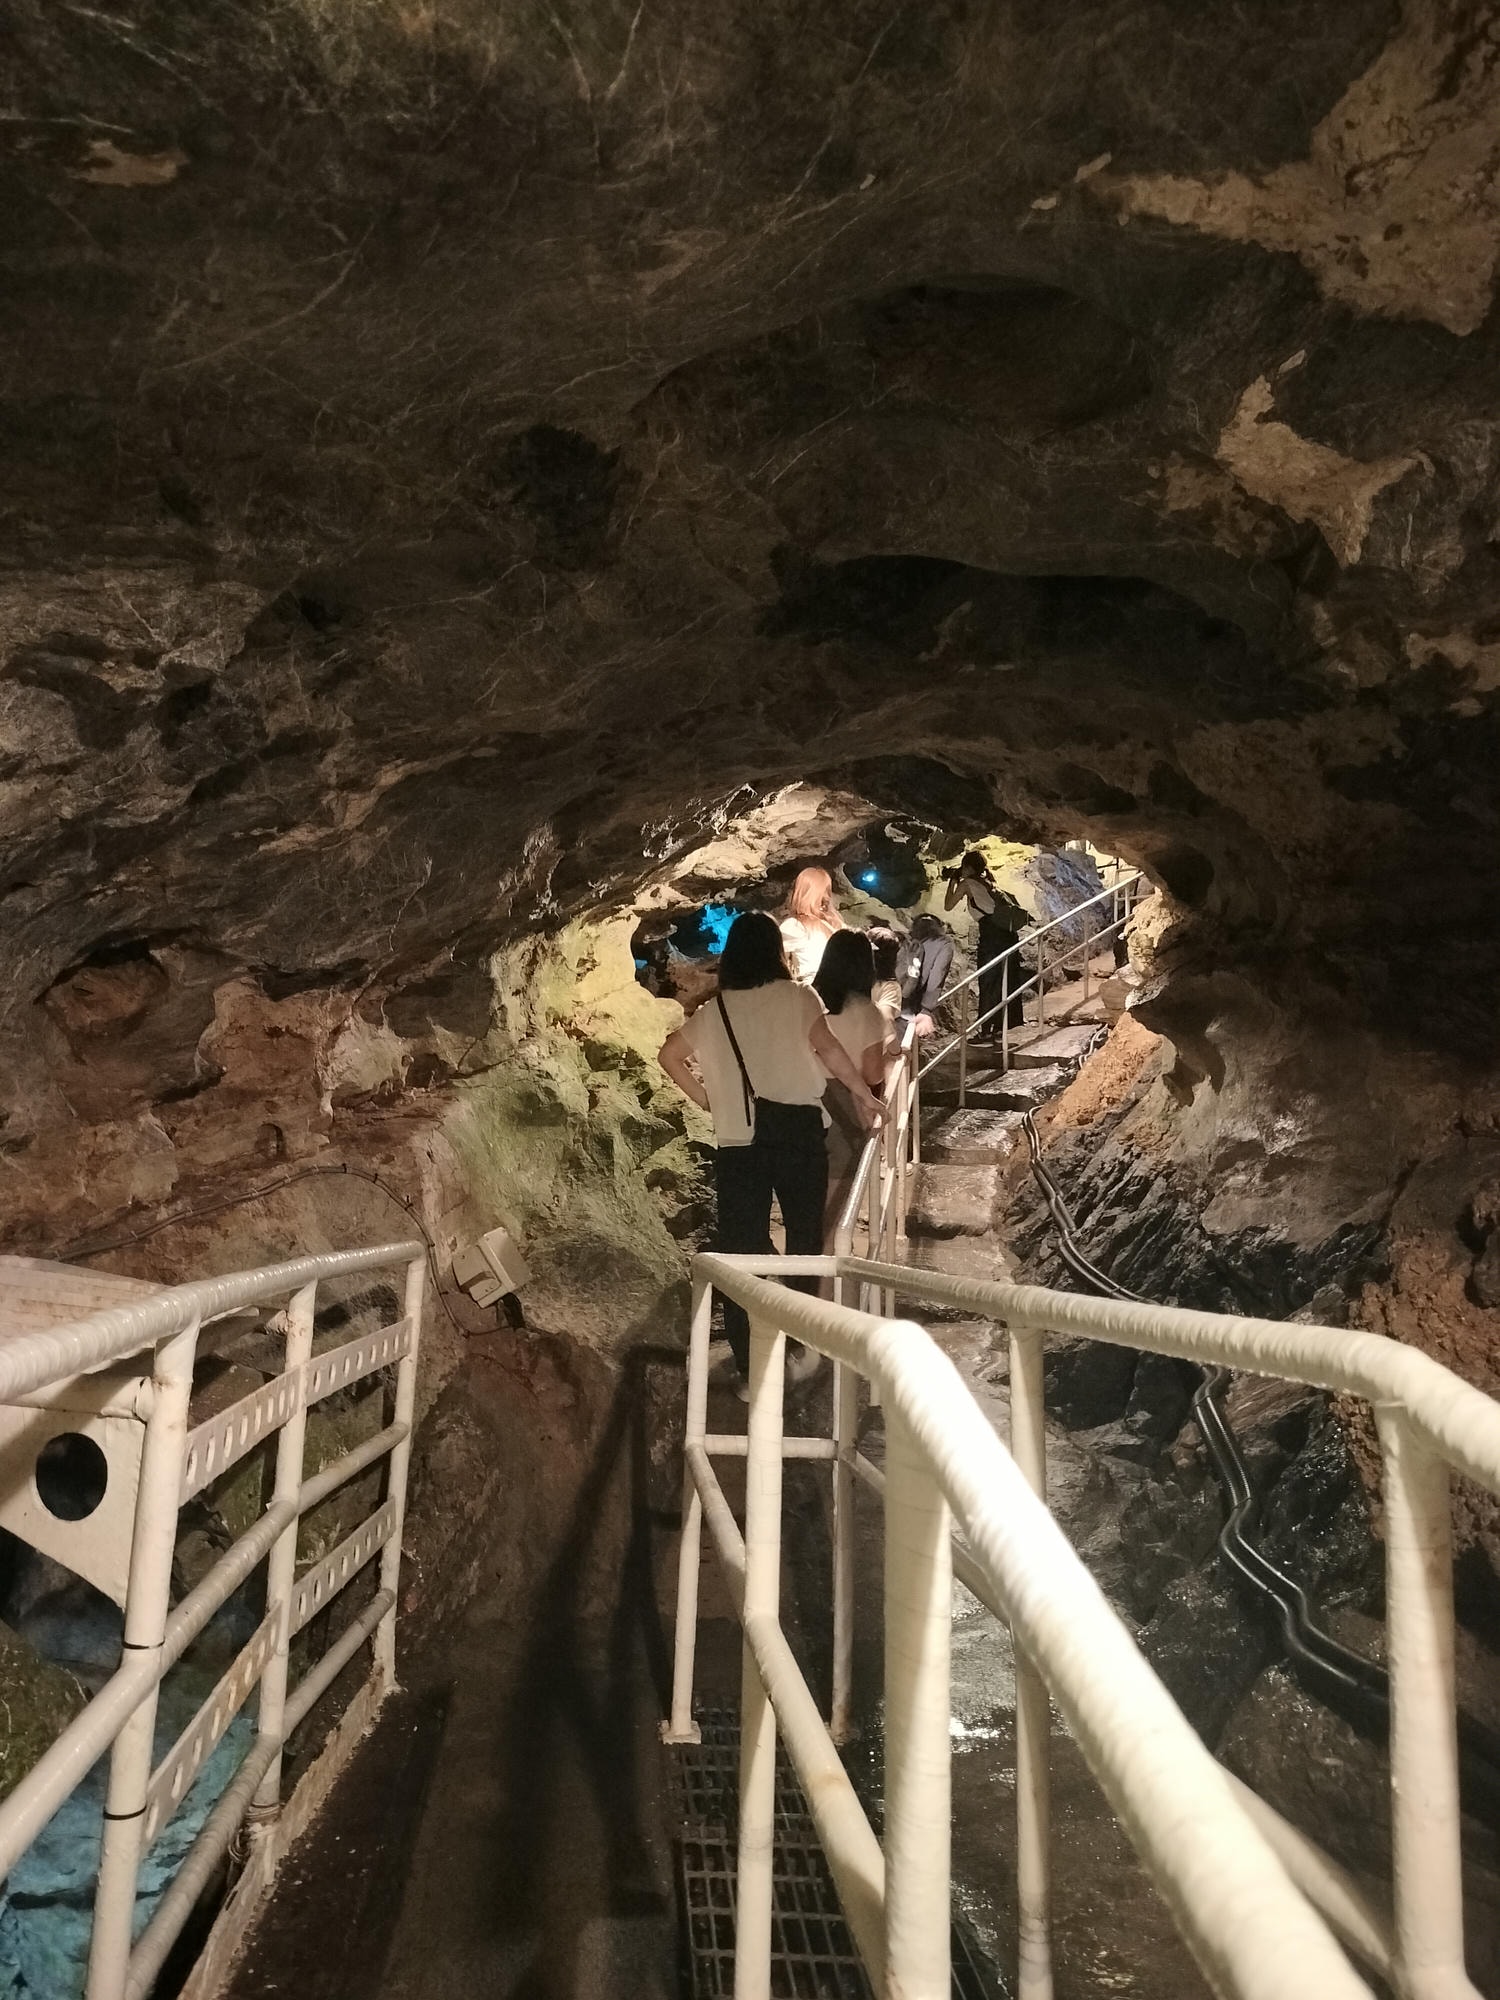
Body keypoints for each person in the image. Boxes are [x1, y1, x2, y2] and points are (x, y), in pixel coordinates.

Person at [657, 912, 882, 1387]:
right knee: (803, 1240)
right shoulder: (798, 997)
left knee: (741, 1251)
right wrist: (863, 1094)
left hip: (738, 1141)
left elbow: (668, 1056)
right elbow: (830, 1052)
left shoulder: (713, 1012)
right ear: (775, 953)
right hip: (799, 1132)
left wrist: (709, 1100)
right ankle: (798, 1343)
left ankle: (750, 1364)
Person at [813, 930, 897, 1237]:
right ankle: (823, 1283)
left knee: (803, 1211)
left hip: (799, 1102)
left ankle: (793, 1276)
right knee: (833, 1218)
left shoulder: (808, 1001)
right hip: (843, 1108)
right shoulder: (867, 1012)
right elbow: (873, 1073)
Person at [944, 850, 1027, 1038]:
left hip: (991, 936)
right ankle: (1005, 1024)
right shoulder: (990, 881)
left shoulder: (967, 884)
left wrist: (953, 882)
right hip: (1007, 934)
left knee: (988, 980)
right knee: (1006, 978)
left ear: (968, 867)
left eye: (963, 867)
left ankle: (985, 1030)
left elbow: (948, 905)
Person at [779, 866, 845, 984]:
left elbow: (776, 966)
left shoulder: (793, 926)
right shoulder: (837, 924)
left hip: (810, 990)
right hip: (839, 988)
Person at [899, 914, 954, 1036]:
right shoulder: (944, 943)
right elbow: (937, 974)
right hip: (915, 1000)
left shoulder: (906, 940)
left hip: (893, 995)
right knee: (908, 1039)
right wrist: (927, 1008)